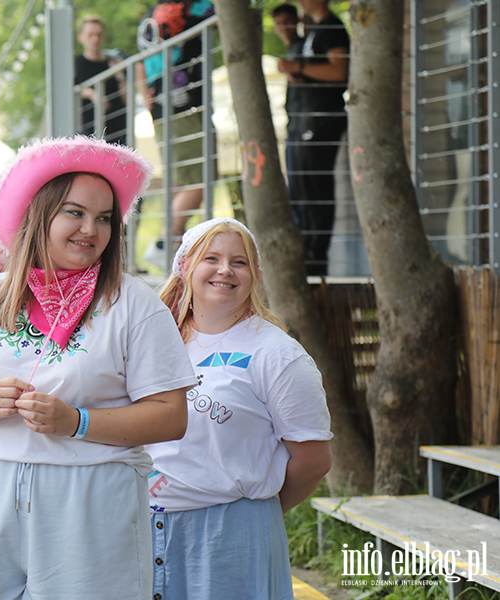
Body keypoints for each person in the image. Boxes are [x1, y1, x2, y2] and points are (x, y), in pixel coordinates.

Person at [0, 136, 196, 599]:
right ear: (39, 213)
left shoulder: (133, 303)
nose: (91, 229)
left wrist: (77, 422)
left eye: (104, 218)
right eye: (75, 212)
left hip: (93, 497)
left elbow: (171, 415)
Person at [149, 217, 333, 599]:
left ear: (255, 274)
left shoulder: (277, 354)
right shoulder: (154, 339)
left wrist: (250, 513)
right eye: (211, 258)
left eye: (239, 262)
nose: (224, 270)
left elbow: (313, 460)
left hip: (229, 537)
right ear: (185, 266)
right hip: (144, 529)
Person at [137, 0, 216, 271]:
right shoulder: (191, 7)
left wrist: (148, 99)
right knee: (201, 176)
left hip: (161, 104)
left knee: (183, 179)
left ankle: (172, 247)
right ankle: (164, 243)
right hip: (184, 104)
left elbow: (140, 65)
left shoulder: (151, 15)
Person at [277, 0, 349, 276]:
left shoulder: (332, 27)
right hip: (306, 118)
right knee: (301, 188)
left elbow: (338, 71)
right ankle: (308, 253)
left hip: (321, 118)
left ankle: (316, 257)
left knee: (315, 189)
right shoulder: (315, 32)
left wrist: (299, 68)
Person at [272, 3, 306, 217]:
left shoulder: (303, 48)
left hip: (305, 127)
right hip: (295, 125)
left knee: (302, 189)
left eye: (287, 22)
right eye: (279, 24)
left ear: (297, 21)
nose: (283, 28)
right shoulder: (293, 50)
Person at [75, 14, 128, 146]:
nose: (95, 39)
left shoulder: (114, 62)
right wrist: (92, 93)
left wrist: (120, 75)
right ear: (80, 37)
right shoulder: (76, 64)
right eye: (90, 35)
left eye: (98, 34)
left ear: (103, 36)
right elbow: (70, 91)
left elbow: (127, 99)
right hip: (90, 133)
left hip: (118, 130)